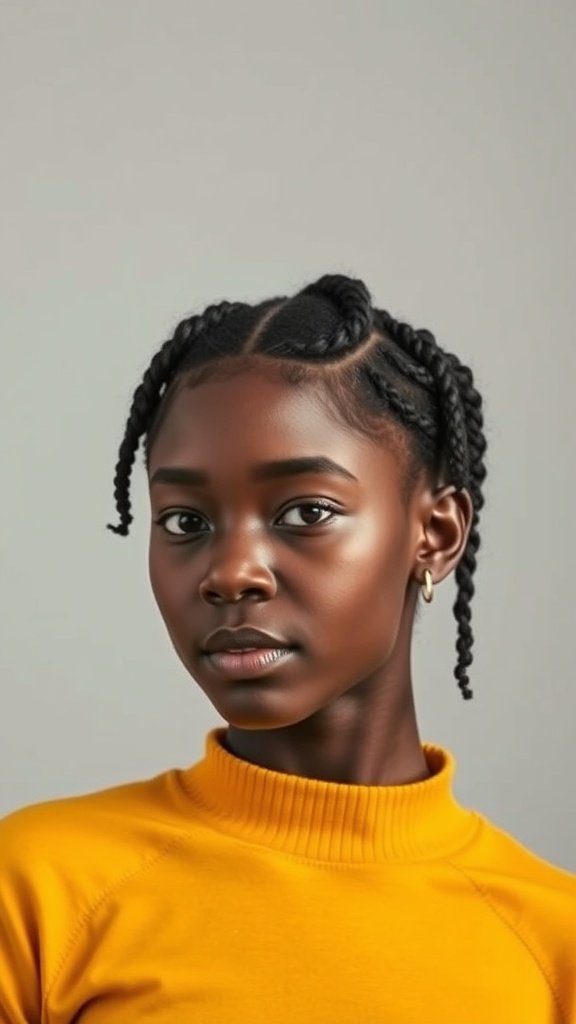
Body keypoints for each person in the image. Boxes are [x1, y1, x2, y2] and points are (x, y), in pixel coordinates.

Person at [0, 274, 574, 1023]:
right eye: (183, 522)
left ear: (435, 535)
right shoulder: (38, 892)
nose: (230, 573)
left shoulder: (551, 944)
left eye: (307, 510)